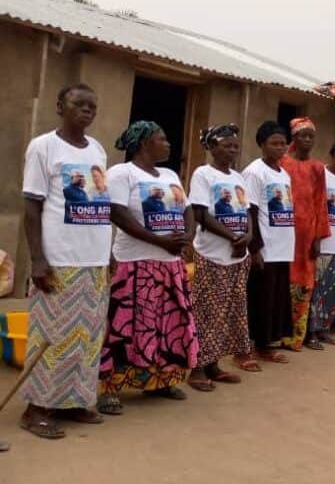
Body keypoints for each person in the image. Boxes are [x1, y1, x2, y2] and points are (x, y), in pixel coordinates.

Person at [19, 83, 112, 440]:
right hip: (60, 257)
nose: (87, 110)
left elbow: (99, 203)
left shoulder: (98, 150)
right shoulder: (44, 147)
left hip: (94, 257)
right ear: (60, 106)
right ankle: (36, 408)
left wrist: (108, 253)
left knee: (87, 336)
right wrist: (38, 259)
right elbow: (31, 205)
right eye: (80, 104)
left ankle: (73, 401)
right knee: (51, 335)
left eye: (93, 105)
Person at [97, 121, 199, 414]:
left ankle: (161, 381)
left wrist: (187, 237)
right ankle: (109, 388)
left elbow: (188, 209)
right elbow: (117, 213)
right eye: (162, 139)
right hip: (135, 264)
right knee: (124, 327)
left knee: (168, 326)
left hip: (170, 264)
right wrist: (158, 240)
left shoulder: (169, 174)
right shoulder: (122, 173)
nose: (168, 144)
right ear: (143, 144)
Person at [187, 123, 257, 388]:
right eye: (227, 146)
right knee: (207, 312)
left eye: (236, 147)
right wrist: (232, 237)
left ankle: (214, 365)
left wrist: (248, 236)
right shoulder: (203, 175)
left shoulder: (238, 178)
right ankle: (197, 370)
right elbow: (201, 214)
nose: (232, 150)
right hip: (213, 254)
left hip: (238, 256)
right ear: (213, 147)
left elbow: (248, 212)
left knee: (228, 312)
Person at [243, 121, 295, 364]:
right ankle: (249, 346)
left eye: (283, 143)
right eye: (274, 143)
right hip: (265, 246)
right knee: (258, 298)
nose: (280, 148)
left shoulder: (283, 173)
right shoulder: (255, 172)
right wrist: (255, 248)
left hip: (283, 245)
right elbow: (250, 210)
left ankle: (266, 344)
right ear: (261, 144)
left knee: (274, 299)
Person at [280, 117, 331, 351]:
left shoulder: (317, 168)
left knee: (304, 283)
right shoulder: (282, 163)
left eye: (311, 136)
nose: (308, 139)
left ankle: (296, 337)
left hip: (308, 235)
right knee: (281, 281)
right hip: (284, 232)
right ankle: (277, 334)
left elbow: (320, 202)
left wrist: (318, 237)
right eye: (303, 135)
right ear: (294, 137)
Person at [308, 142, 335, 347]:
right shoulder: (321, 174)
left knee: (333, 290)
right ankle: (310, 332)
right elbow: (315, 209)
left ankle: (324, 327)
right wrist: (315, 238)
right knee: (317, 289)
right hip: (323, 243)